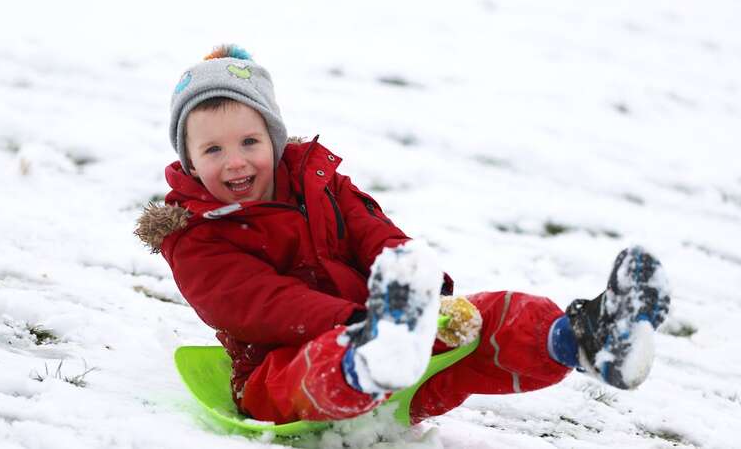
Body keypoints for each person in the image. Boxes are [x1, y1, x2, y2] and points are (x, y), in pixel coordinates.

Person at [135, 44, 671, 425]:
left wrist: (418, 287)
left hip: (400, 342)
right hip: (284, 374)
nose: (235, 163)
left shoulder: (316, 181)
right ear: (187, 157)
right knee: (305, 369)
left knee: (494, 314)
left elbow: (374, 232)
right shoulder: (194, 235)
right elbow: (255, 303)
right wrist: (362, 324)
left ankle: (590, 340)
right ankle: (370, 357)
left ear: (273, 137)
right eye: (212, 151)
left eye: (249, 141)